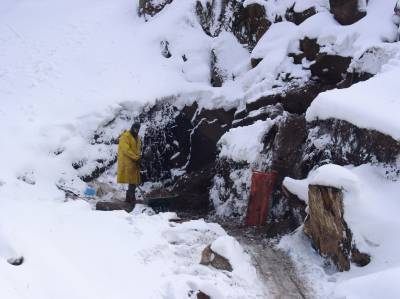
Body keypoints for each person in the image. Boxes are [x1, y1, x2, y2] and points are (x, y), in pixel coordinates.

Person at [117, 122, 142, 206]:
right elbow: (126, 150)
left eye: (138, 129)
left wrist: (138, 158)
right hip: (127, 161)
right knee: (132, 180)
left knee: (133, 180)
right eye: (135, 128)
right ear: (132, 127)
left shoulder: (138, 137)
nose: (136, 130)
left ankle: (129, 197)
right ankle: (131, 198)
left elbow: (137, 149)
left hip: (134, 160)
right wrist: (136, 157)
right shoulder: (125, 136)